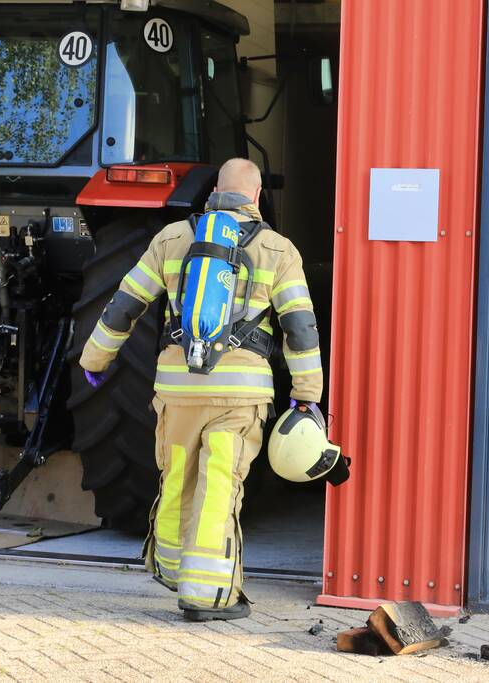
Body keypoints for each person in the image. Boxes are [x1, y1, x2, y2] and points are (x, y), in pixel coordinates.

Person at [79, 158, 323, 621]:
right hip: (240, 395)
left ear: (213, 192)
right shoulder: (278, 249)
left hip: (176, 389)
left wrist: (95, 360)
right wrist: (307, 394)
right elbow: (300, 328)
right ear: (255, 198)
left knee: (177, 478)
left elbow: (122, 306)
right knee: (219, 487)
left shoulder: (171, 238)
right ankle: (208, 594)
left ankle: (171, 568)